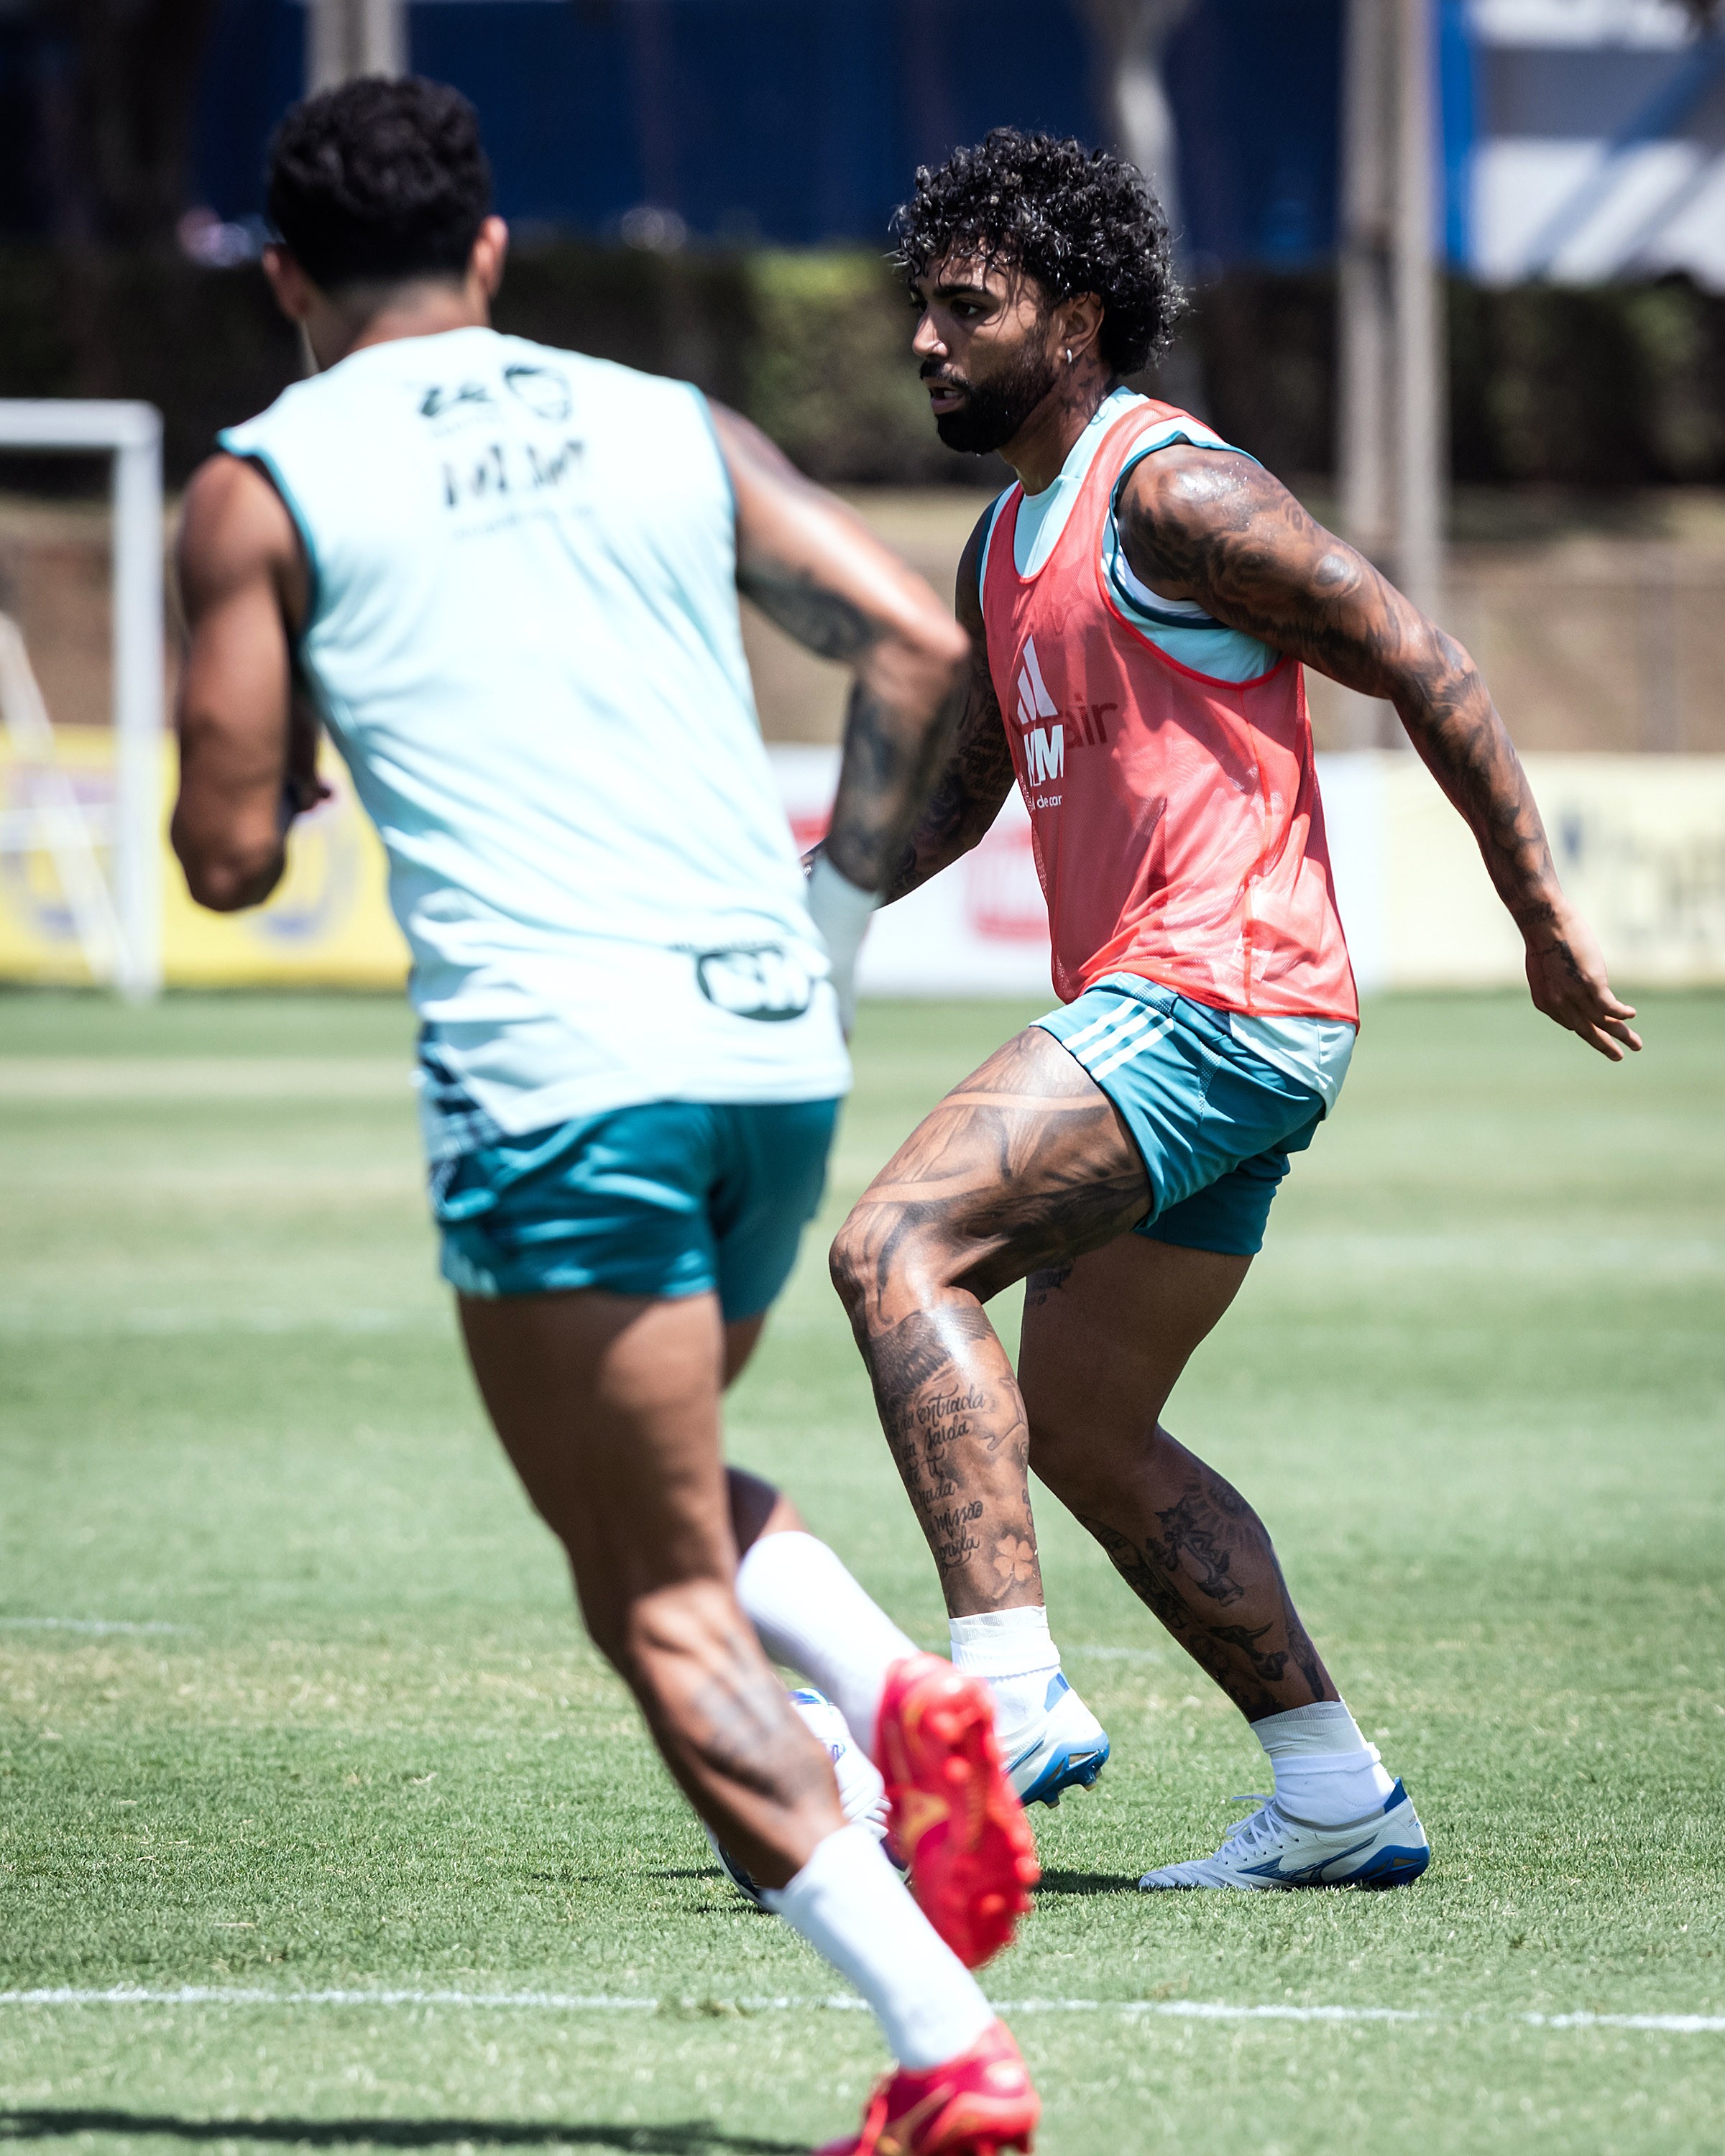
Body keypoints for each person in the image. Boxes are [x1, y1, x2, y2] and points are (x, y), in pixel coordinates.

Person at [170, 78, 1039, 2155]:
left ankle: (943, 2048)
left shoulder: (263, 484)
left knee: (639, 1586)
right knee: (651, 1489)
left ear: (285, 276)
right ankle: (897, 1695)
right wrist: (825, 919)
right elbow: (921, 647)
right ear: (487, 253)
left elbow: (218, 860)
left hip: (567, 1071)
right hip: (764, 1042)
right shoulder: (660, 418)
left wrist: (281, 774)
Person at [824, 129, 1641, 1892]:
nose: (926, 340)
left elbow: (1419, 654)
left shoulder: (1171, 494)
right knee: (1094, 1435)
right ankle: (1336, 1790)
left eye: (969, 306)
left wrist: (1540, 920)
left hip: (1217, 993)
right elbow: (958, 798)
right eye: (924, 306)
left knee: (896, 1250)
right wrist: (801, 899)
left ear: (1079, 318)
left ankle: (1005, 1699)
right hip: (1223, 1016)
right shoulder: (1005, 540)